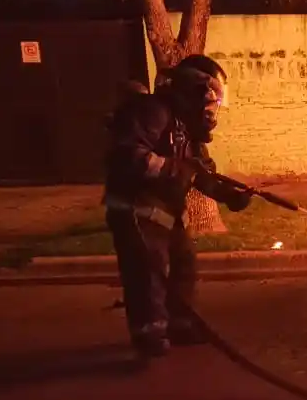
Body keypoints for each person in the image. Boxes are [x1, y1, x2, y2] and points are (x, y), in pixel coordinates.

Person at [103, 54, 251, 357]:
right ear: (195, 92)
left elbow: (201, 172)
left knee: (184, 264)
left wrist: (230, 194)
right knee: (148, 271)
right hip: (136, 208)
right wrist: (176, 170)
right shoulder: (152, 112)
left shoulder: (187, 127)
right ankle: (149, 333)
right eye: (210, 104)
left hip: (165, 210)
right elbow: (128, 156)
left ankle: (180, 324)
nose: (212, 113)